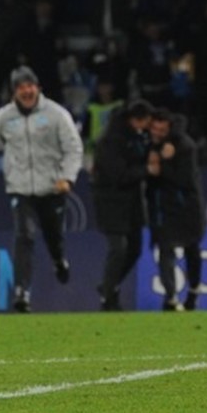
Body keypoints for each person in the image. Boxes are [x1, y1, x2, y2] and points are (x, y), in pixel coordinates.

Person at [0, 66, 84, 312]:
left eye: (30, 86)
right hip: (20, 188)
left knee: (53, 236)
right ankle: (22, 291)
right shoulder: (5, 116)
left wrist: (67, 177)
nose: (26, 91)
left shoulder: (56, 114)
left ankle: (58, 260)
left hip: (52, 188)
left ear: (38, 88)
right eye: (21, 87)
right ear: (14, 92)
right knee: (24, 236)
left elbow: (74, 148)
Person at [91, 99, 155, 311]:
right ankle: (108, 298)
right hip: (111, 202)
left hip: (132, 204)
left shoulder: (136, 137)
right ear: (135, 120)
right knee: (118, 249)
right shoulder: (111, 140)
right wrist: (146, 170)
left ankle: (109, 285)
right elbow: (118, 175)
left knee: (134, 248)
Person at [146, 108, 206, 311]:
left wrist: (163, 163)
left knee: (192, 249)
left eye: (161, 130)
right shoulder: (149, 144)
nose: (157, 133)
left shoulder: (185, 146)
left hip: (187, 207)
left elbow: (185, 179)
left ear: (169, 128)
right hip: (162, 209)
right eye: (154, 129)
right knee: (165, 250)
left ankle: (193, 293)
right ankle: (170, 298)